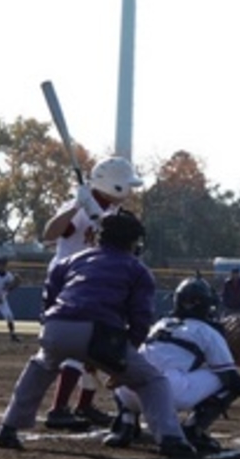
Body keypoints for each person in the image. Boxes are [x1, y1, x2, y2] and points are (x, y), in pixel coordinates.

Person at [0, 209, 196, 458]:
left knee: (40, 366)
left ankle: (8, 428)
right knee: (153, 381)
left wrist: (51, 327)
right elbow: (140, 319)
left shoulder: (74, 259)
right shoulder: (138, 269)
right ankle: (170, 438)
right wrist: (122, 357)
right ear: (133, 241)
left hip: (56, 326)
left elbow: (50, 295)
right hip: (99, 331)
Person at [103, 276, 240, 453]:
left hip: (128, 393)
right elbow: (230, 378)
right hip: (166, 395)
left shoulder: (159, 325)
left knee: (129, 371)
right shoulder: (207, 332)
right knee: (223, 377)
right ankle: (193, 430)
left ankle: (126, 422)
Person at [41, 156, 143, 430]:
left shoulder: (114, 215)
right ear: (115, 184)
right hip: (68, 282)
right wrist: (77, 204)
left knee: (98, 343)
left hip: (96, 282)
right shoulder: (80, 206)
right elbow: (49, 234)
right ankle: (58, 408)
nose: (130, 192)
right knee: (77, 346)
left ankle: (84, 404)